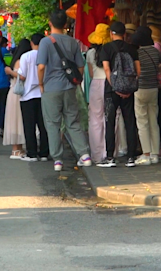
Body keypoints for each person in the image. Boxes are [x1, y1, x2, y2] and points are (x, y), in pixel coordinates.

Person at [36, 9, 92, 171]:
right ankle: (84, 155)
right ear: (65, 24)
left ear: (50, 23)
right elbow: (80, 66)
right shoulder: (73, 42)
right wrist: (74, 81)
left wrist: (41, 84)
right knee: (73, 122)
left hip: (51, 89)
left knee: (53, 124)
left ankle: (58, 160)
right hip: (69, 88)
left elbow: (41, 67)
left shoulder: (45, 42)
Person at [97, 21, 140, 168]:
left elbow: (107, 69)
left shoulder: (106, 48)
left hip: (111, 90)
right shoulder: (132, 49)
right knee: (130, 122)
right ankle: (131, 157)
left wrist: (115, 86)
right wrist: (128, 87)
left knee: (110, 121)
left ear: (111, 34)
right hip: (128, 90)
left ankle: (110, 157)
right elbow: (138, 71)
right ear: (124, 34)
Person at [132, 28, 161, 165]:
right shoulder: (155, 51)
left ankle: (146, 154)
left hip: (140, 88)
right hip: (154, 88)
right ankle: (155, 154)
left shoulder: (137, 53)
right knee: (153, 121)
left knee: (142, 122)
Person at [18, 33, 49, 162]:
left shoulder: (26, 56)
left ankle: (32, 153)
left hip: (28, 95)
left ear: (31, 43)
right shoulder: (47, 56)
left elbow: (22, 76)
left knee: (29, 125)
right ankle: (44, 153)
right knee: (44, 125)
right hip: (44, 94)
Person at [86, 24, 111, 163]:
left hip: (95, 84)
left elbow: (91, 73)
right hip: (109, 83)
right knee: (111, 118)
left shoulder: (90, 53)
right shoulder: (111, 50)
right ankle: (110, 151)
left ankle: (97, 154)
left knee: (95, 119)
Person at [3, 39, 30, 159]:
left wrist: (10, 71)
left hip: (13, 92)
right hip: (19, 93)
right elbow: (21, 76)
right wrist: (11, 72)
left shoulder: (15, 60)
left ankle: (18, 148)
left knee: (14, 120)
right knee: (18, 120)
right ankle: (16, 149)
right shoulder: (22, 61)